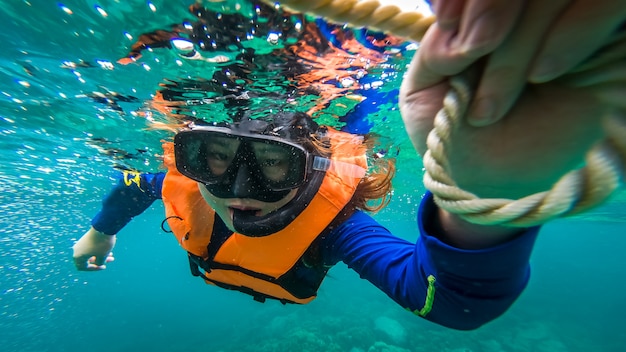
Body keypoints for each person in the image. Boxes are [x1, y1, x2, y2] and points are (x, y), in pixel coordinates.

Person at [72, 0, 624, 332]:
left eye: (274, 165)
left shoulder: (334, 226)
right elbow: (138, 185)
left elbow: (449, 302)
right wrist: (99, 233)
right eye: (212, 158)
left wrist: (480, 191)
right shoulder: (185, 179)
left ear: (311, 168)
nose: (240, 189)